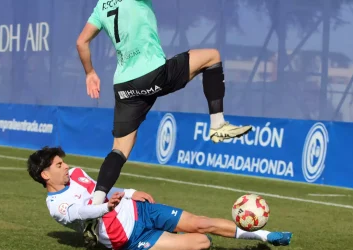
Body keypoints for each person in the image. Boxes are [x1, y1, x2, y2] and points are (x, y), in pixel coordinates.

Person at [76, 0, 253, 208]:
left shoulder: (101, 6)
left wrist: (90, 73)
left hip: (124, 85)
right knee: (212, 57)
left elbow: (81, 42)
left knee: (119, 150)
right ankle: (217, 125)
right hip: (152, 74)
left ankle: (94, 207)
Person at [27, 146, 292, 250]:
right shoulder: (56, 206)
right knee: (202, 242)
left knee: (201, 223)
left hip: (140, 210)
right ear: (45, 173)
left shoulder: (75, 173)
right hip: (129, 238)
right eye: (59, 164)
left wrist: (129, 193)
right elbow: (80, 214)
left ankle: (264, 236)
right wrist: (104, 207)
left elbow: (102, 186)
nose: (66, 166)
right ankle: (173, 229)